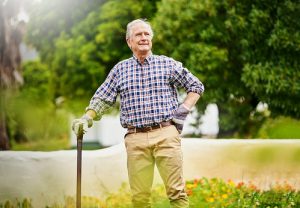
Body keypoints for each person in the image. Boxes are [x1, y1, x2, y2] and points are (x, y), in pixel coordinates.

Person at [72, 19, 204, 208]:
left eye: (147, 34)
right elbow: (102, 98)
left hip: (166, 133)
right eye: (138, 34)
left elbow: (196, 86)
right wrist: (87, 118)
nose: (144, 38)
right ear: (129, 41)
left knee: (176, 192)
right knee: (140, 198)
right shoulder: (120, 70)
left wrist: (183, 110)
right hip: (135, 139)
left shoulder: (167, 64)